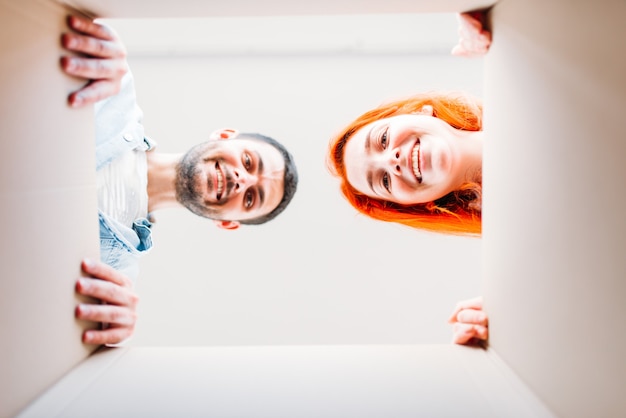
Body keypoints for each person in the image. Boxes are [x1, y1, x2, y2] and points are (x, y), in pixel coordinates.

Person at [60, 15, 298, 345]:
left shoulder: (115, 282)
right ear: (224, 135)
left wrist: (110, 337)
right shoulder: (115, 86)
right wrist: (101, 40)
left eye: (251, 198)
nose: (241, 180)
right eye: (247, 161)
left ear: (228, 223)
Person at [326, 11, 491, 345]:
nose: (393, 160)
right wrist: (505, 318)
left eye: (383, 140)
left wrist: (496, 22)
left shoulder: (514, 76)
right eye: (384, 181)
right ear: (422, 204)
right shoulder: (510, 242)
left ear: (419, 111)